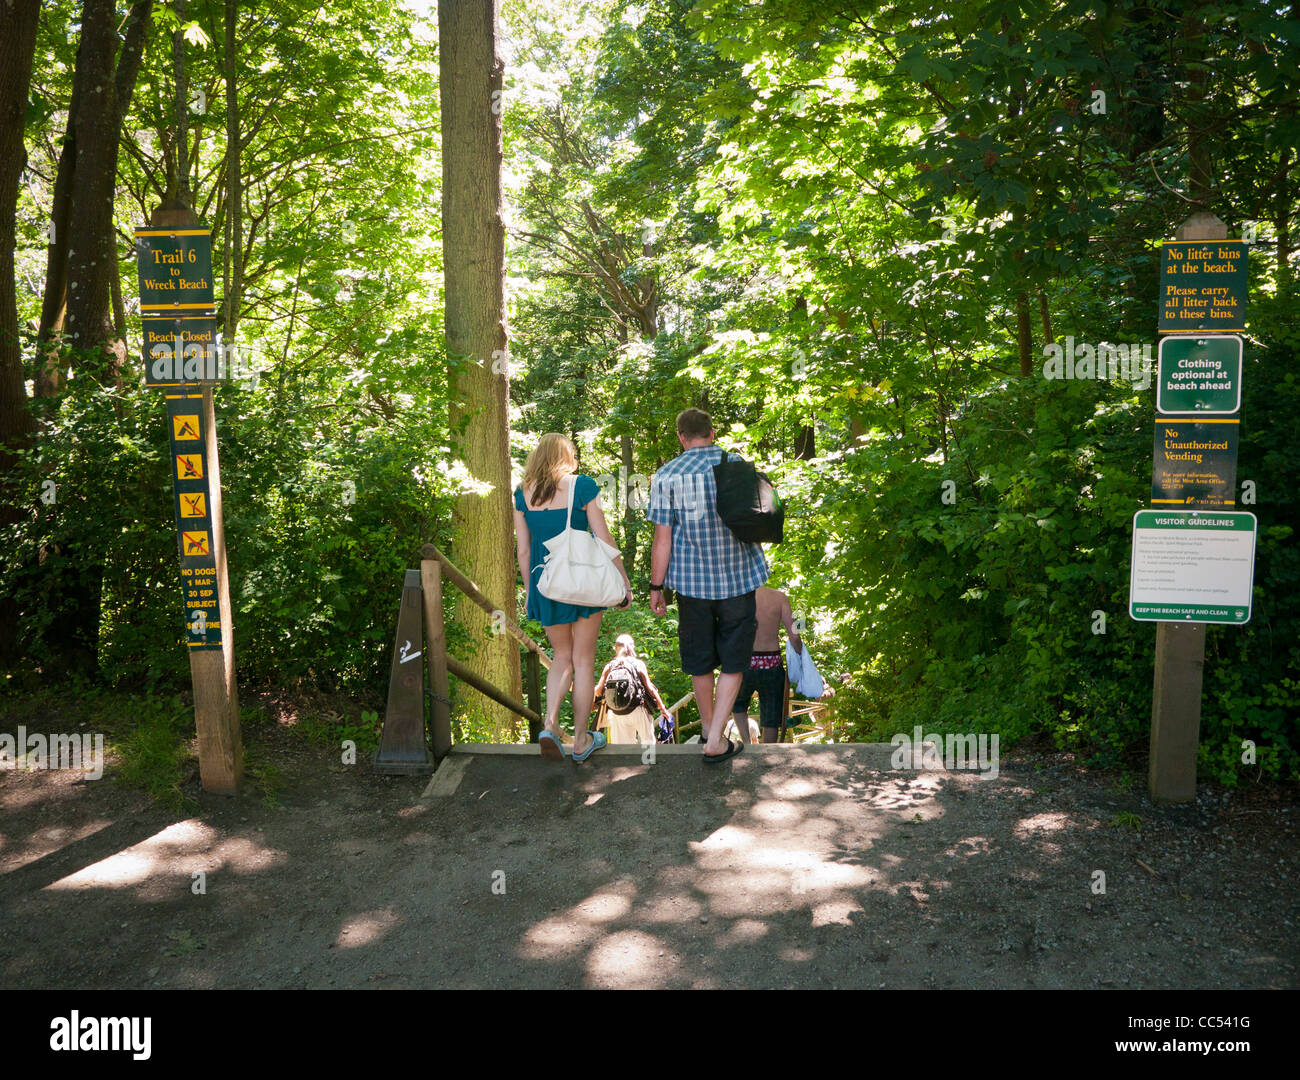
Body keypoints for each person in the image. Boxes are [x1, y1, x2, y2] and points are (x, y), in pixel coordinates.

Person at [648, 408, 768, 762]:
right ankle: (716, 736)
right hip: (739, 579)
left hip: (691, 586)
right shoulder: (736, 464)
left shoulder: (666, 475)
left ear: (681, 438)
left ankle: (706, 729)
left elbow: (662, 540)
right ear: (712, 433)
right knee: (734, 659)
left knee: (699, 660)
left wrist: (657, 588)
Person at [514, 434, 632, 762]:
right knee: (583, 661)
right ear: (567, 456)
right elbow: (603, 536)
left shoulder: (522, 493)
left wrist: (529, 590)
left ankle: (550, 724)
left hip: (546, 583)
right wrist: (622, 579)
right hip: (584, 583)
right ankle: (580, 741)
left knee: (561, 657)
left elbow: (523, 550)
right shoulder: (582, 486)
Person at [730, 585, 803, 744]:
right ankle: (766, 753)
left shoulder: (736, 595)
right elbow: (795, 637)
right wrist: (801, 656)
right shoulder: (779, 597)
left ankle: (747, 745)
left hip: (744, 662)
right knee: (771, 717)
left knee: (738, 705)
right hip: (772, 664)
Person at [592, 634, 671, 745]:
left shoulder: (610, 666)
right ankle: (647, 762)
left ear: (616, 648)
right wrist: (662, 708)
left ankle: (626, 763)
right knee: (648, 744)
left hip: (617, 713)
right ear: (632, 647)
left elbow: (598, 691)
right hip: (638, 709)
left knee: (622, 749)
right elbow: (651, 689)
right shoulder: (638, 664)